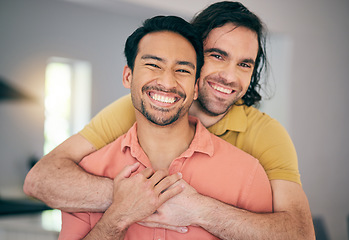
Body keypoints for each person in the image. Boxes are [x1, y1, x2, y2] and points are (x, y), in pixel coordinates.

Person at [24, 1, 315, 239]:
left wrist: (199, 209)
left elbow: (300, 234)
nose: (229, 76)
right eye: (217, 55)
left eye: (244, 64)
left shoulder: (262, 144)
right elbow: (42, 180)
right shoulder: (132, 110)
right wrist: (132, 197)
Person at [58, 15, 272, 239]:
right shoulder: (89, 170)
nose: (167, 83)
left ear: (196, 87)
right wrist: (118, 216)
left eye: (182, 70)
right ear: (128, 76)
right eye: (153, 65)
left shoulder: (248, 174)